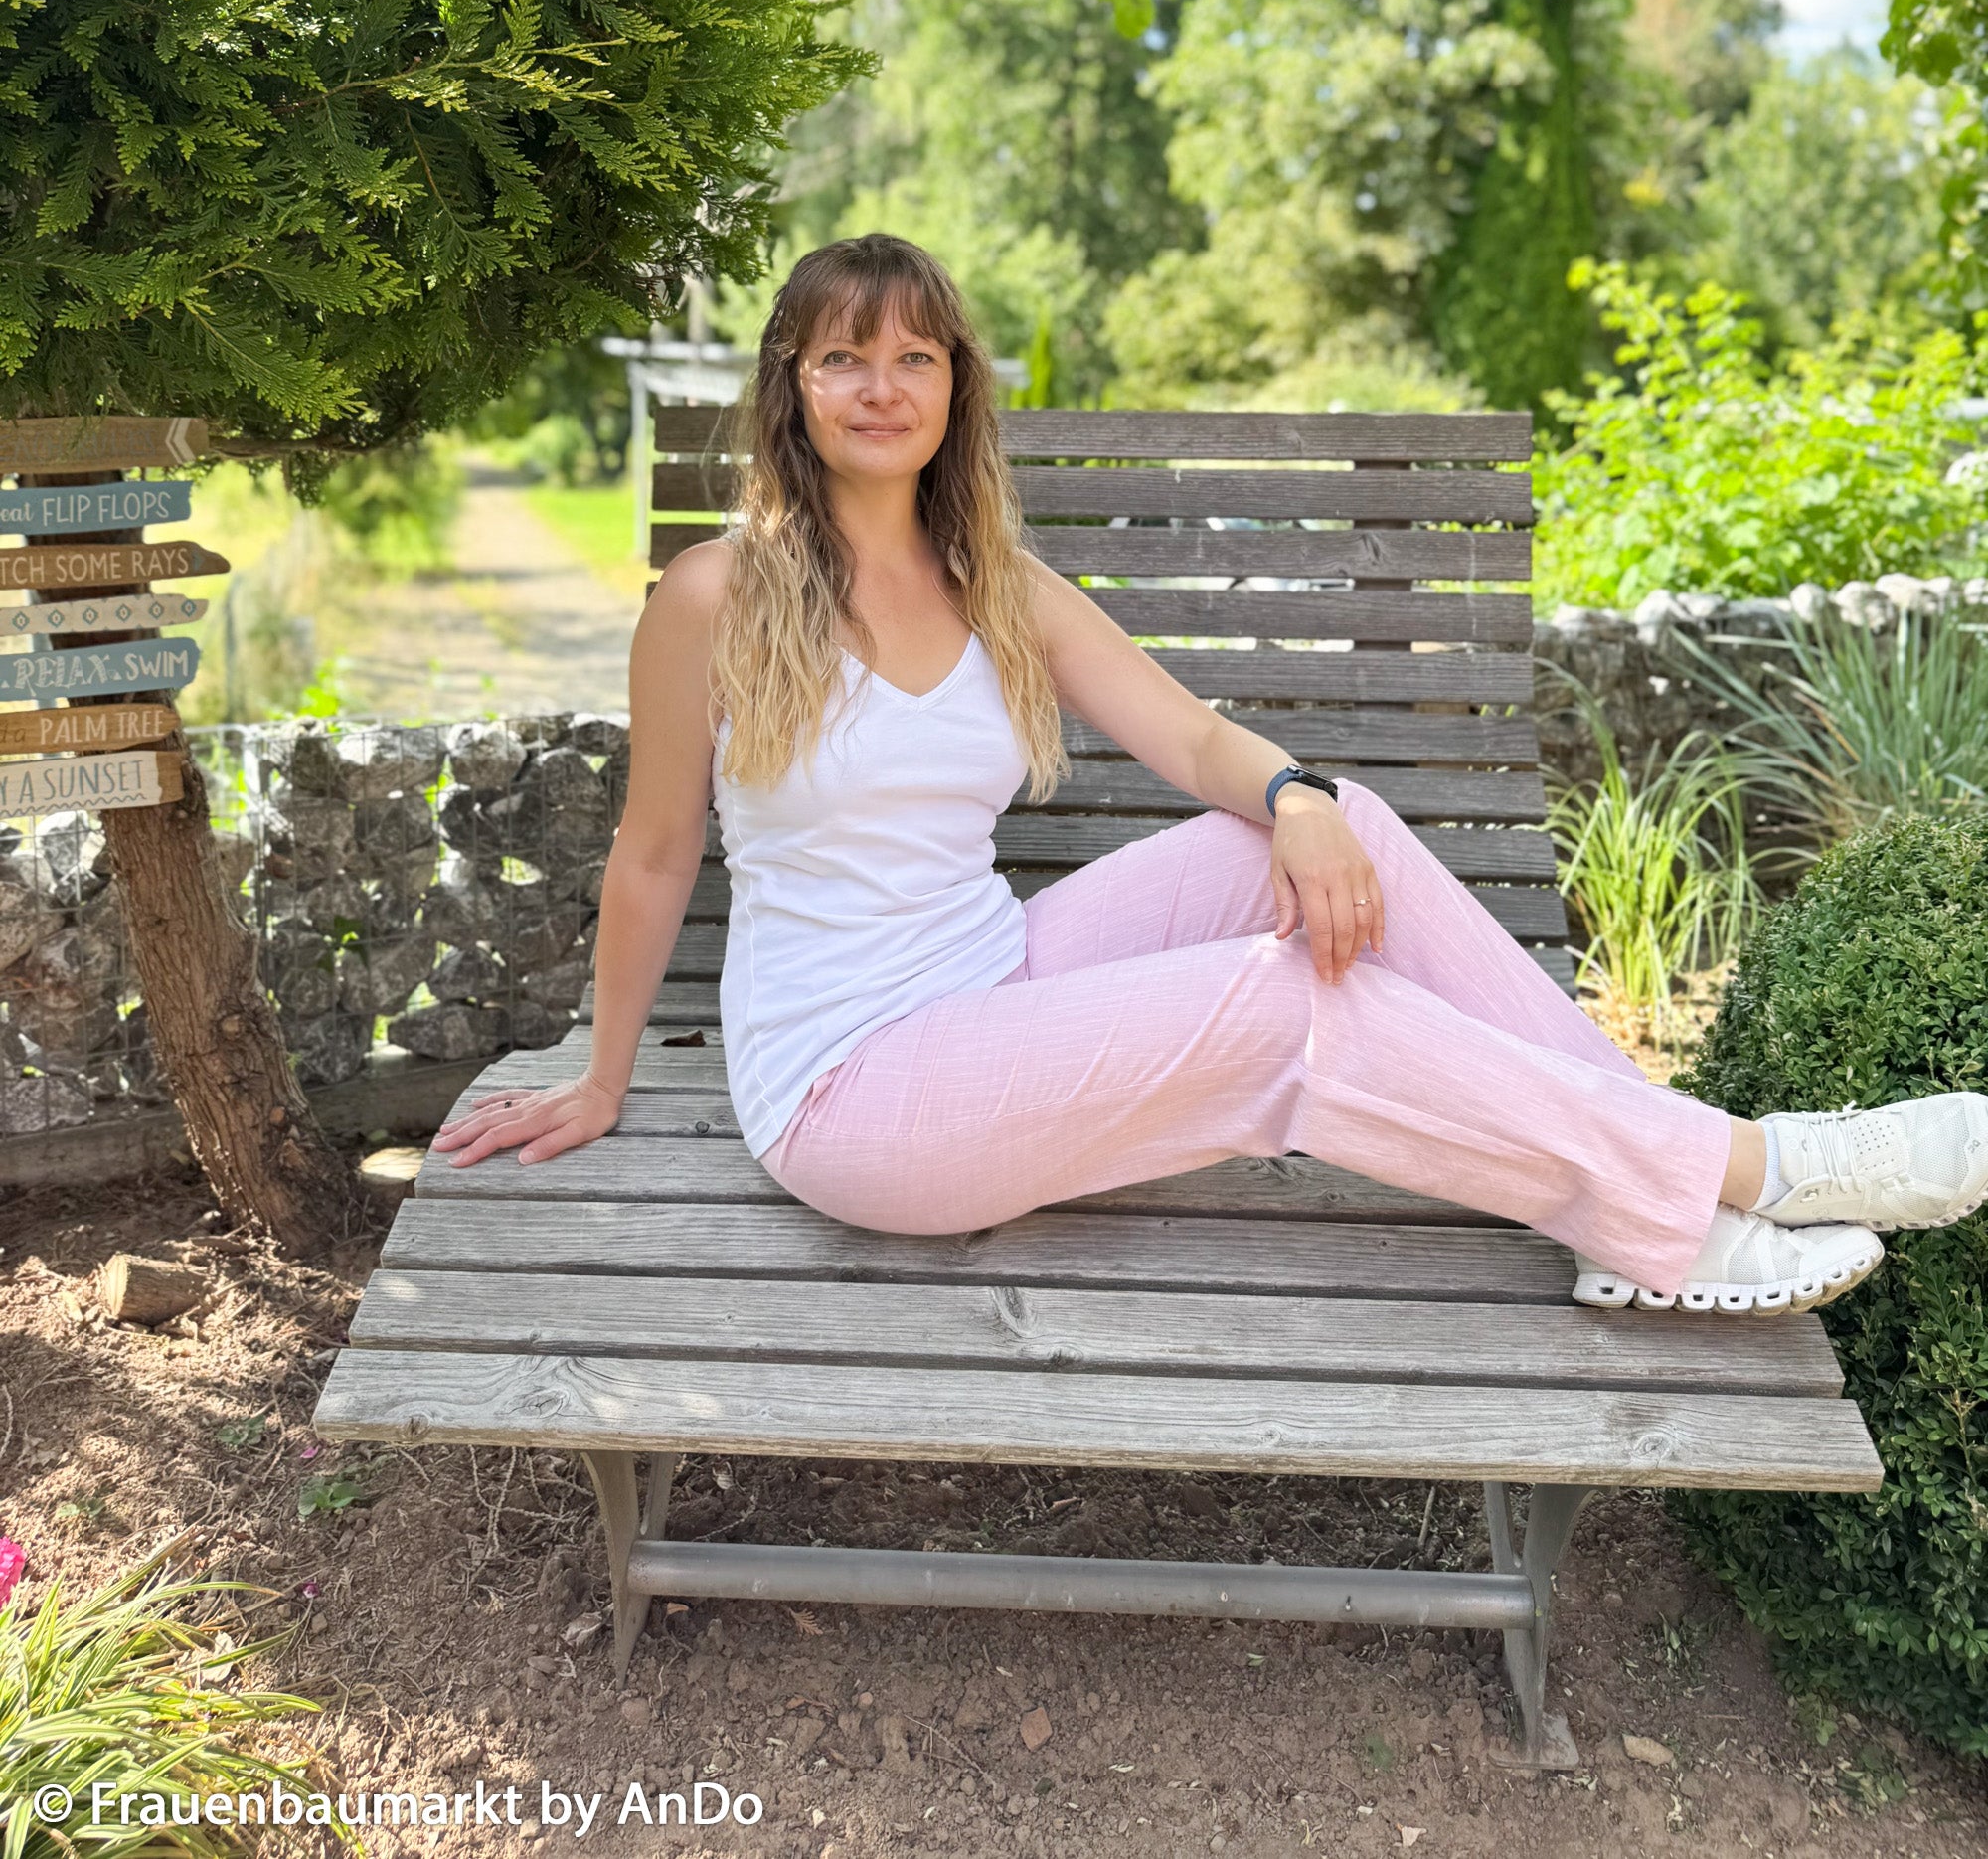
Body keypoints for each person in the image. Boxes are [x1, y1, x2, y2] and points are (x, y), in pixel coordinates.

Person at [434, 236, 1988, 1314]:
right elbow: (654, 855)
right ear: (794, 383)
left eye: (914, 355)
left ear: (957, 386)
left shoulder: (999, 587)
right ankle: (1751, 1171)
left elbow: (1189, 740)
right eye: (846, 358)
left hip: (993, 976)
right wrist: (604, 1079)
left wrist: (1299, 798)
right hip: (851, 1087)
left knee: (1333, 834)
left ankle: (1643, 1188)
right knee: (1283, 1005)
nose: (882, 385)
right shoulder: (713, 599)